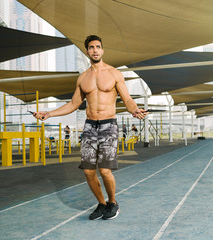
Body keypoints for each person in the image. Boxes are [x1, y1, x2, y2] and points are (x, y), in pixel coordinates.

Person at [33, 35, 148, 220]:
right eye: (91, 47)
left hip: (108, 125)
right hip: (89, 127)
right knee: (88, 171)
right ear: (87, 51)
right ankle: (101, 204)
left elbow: (127, 99)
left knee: (104, 170)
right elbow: (73, 104)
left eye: (98, 47)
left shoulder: (113, 73)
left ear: (102, 50)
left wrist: (134, 110)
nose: (95, 50)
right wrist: (49, 114)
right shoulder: (83, 78)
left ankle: (113, 203)